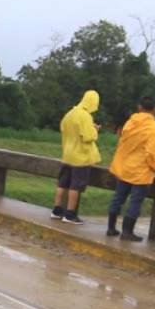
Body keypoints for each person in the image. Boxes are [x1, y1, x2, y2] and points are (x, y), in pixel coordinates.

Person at [105, 95, 155, 241]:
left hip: (124, 168)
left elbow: (123, 143)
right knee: (135, 202)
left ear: (139, 107)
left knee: (118, 198)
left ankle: (111, 228)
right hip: (141, 171)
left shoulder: (129, 123)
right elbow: (152, 152)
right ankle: (127, 232)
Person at [52, 90, 101, 224]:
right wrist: (95, 130)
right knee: (76, 186)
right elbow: (88, 137)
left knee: (62, 183)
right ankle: (70, 214)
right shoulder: (85, 116)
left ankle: (56, 211)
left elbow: (63, 128)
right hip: (80, 157)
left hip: (67, 154)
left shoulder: (70, 113)